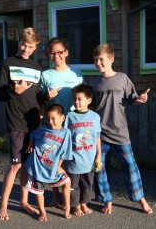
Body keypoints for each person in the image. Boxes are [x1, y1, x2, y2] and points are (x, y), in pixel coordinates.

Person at [90, 43, 153, 215]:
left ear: (111, 59)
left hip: (120, 133)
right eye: (95, 60)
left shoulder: (123, 78)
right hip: (100, 134)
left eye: (101, 59)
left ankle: (141, 199)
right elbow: (91, 109)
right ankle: (106, 200)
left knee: (130, 167)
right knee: (100, 168)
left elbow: (132, 98)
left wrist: (140, 99)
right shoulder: (94, 83)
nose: (98, 63)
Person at [0, 27, 42, 221]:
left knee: (27, 166)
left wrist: (47, 98)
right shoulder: (7, 64)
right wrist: (15, 91)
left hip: (33, 124)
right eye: (23, 44)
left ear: (35, 47)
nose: (26, 49)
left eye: (30, 46)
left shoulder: (37, 68)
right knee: (15, 165)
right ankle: (3, 205)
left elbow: (37, 97)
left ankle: (23, 202)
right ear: (19, 43)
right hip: (15, 123)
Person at [40, 37, 83, 206]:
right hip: (54, 126)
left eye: (59, 52)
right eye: (52, 53)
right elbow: (42, 102)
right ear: (49, 55)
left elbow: (82, 98)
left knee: (72, 162)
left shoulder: (77, 73)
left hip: (73, 125)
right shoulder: (45, 75)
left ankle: (72, 199)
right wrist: (45, 99)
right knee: (54, 161)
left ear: (66, 53)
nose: (56, 55)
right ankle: (56, 197)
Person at [24, 104, 72, 222]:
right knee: (39, 190)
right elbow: (32, 134)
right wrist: (30, 144)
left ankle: (67, 206)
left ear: (62, 118)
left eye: (53, 118)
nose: (50, 122)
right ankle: (42, 211)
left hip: (54, 166)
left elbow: (65, 152)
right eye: (48, 118)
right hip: (38, 165)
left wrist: (59, 166)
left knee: (67, 181)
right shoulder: (42, 129)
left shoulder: (66, 133)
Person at [63, 83, 101, 216]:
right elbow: (65, 136)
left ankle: (84, 202)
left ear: (89, 100)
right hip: (73, 160)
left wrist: (99, 156)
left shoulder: (95, 117)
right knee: (73, 185)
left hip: (89, 160)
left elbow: (97, 137)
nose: (76, 102)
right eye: (75, 99)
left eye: (80, 99)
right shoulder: (69, 116)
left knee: (88, 184)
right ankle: (76, 205)